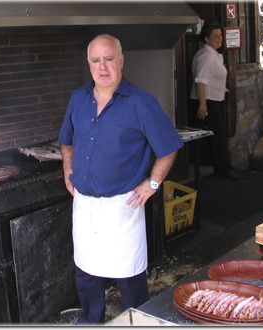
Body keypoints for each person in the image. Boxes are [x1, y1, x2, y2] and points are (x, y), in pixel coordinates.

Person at [58, 34, 184, 324]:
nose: (103, 67)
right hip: (86, 205)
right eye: (96, 60)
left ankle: (139, 320)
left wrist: (152, 183)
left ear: (121, 61)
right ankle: (92, 320)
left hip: (122, 208)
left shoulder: (141, 102)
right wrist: (67, 169)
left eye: (109, 59)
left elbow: (169, 148)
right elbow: (66, 141)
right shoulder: (78, 98)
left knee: (130, 277)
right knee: (87, 273)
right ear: (88, 64)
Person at [189, 22, 240, 181]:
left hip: (214, 99)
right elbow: (201, 82)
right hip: (207, 101)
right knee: (217, 136)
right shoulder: (206, 56)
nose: (220, 38)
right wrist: (203, 105)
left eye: (220, 35)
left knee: (217, 135)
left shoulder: (214, 54)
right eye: (216, 36)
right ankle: (224, 168)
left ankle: (220, 167)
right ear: (206, 39)